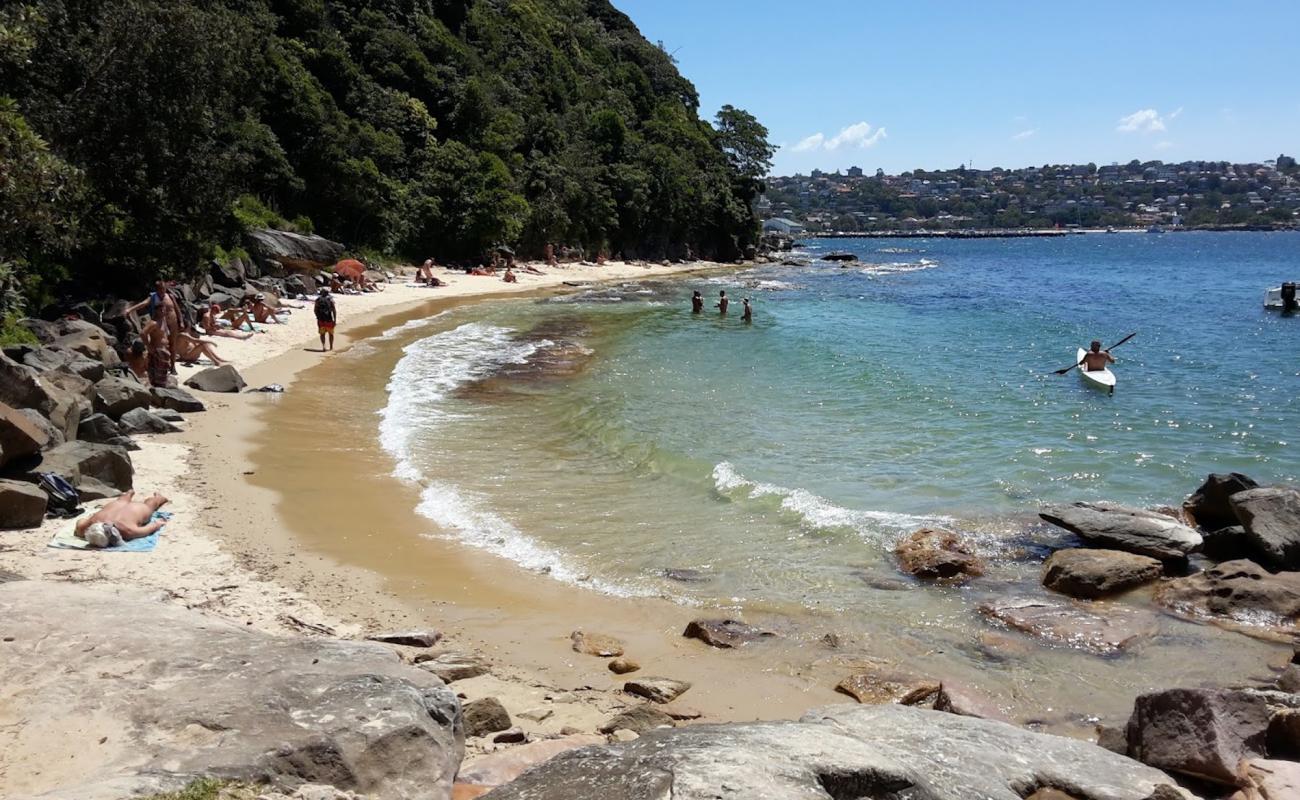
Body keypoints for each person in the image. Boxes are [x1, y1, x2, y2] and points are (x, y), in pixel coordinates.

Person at [75, 490, 169, 547]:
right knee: (121, 501)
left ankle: (159, 498)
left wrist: (158, 524)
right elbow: (80, 522)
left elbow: (148, 529)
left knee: (150, 505)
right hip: (117, 506)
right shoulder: (86, 526)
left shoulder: (127, 531)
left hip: (136, 509)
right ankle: (129, 493)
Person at [140, 313, 172, 388]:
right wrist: (148, 346)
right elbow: (143, 333)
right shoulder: (154, 322)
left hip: (164, 350)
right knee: (155, 374)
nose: (162, 311)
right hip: (157, 349)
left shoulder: (163, 320)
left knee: (162, 375)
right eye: (160, 310)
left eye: (164, 309)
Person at [314, 287, 337, 351]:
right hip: (329, 319)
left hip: (321, 320)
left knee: (322, 334)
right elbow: (334, 310)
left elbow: (315, 310)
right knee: (331, 334)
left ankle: (324, 346)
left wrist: (318, 317)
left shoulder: (318, 300)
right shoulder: (330, 300)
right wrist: (335, 320)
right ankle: (331, 347)